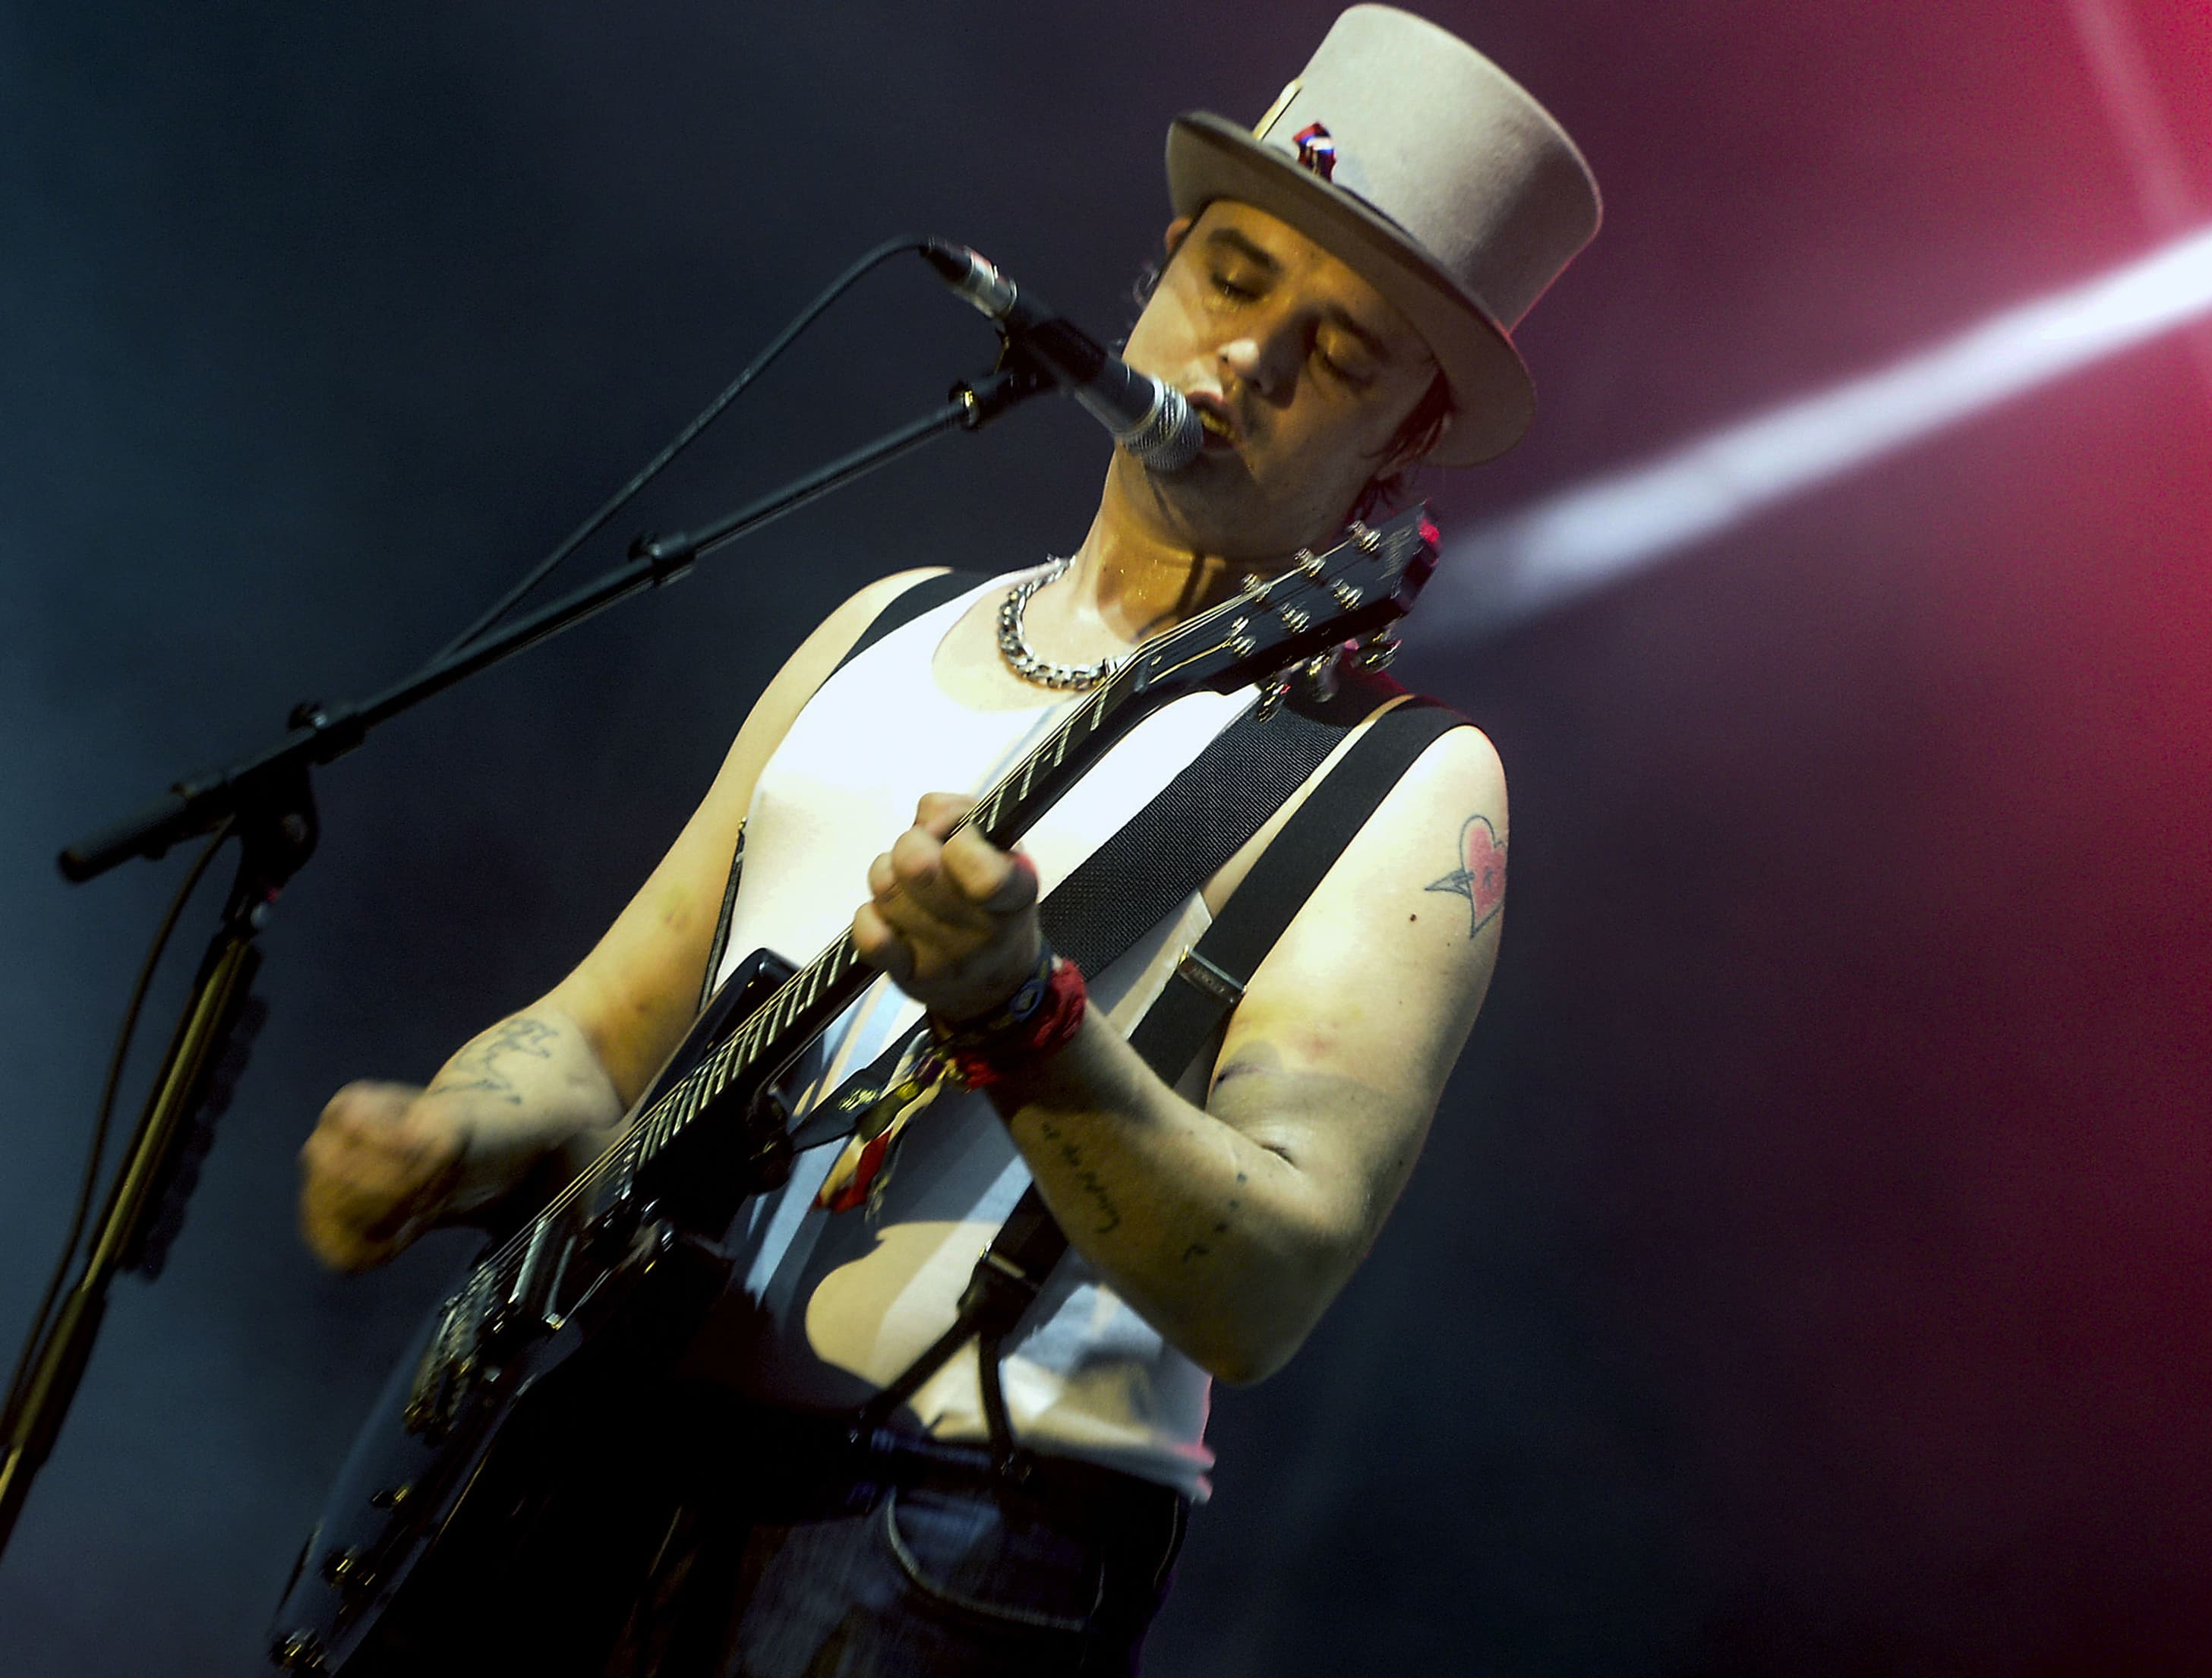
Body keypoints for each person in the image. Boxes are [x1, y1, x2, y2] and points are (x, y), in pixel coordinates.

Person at [291, 8, 1599, 1673]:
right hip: (611, 1472)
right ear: (1158, 273)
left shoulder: (1397, 778)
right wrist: (447, 1129)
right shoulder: (885, 629)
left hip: (952, 1538)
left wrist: (1022, 1017)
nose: (1252, 359)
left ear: (1401, 440)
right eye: (1238, 275)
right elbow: (598, 1034)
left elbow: (1267, 1282)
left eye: (1342, 355)